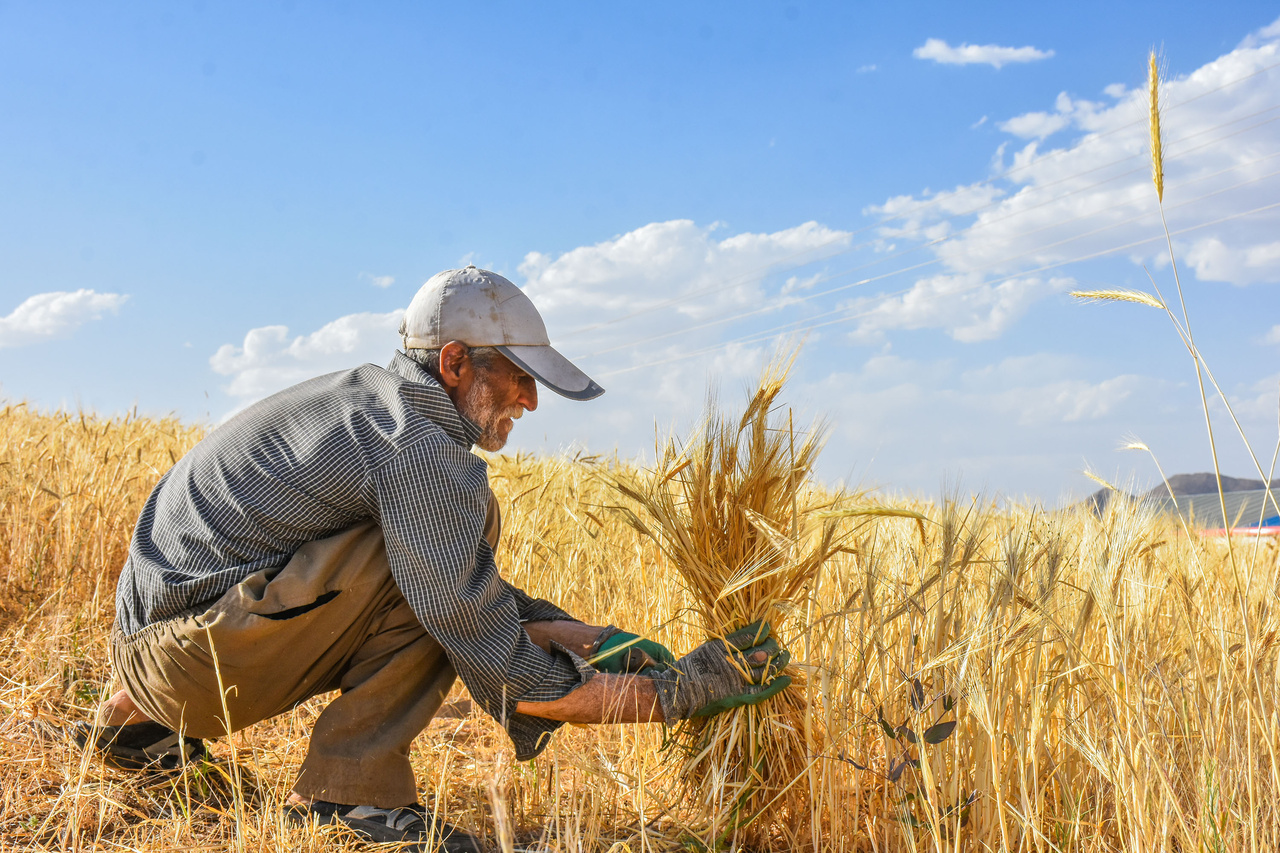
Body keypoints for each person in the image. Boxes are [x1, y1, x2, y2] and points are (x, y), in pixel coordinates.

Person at [79, 266, 790, 853]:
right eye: (516, 374)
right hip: (188, 664)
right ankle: (349, 797)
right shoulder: (417, 447)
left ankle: (133, 726)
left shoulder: (376, 405)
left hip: (160, 657)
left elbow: (458, 589)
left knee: (436, 567)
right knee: (437, 576)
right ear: (454, 362)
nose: (531, 399)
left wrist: (595, 641)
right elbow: (505, 664)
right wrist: (676, 694)